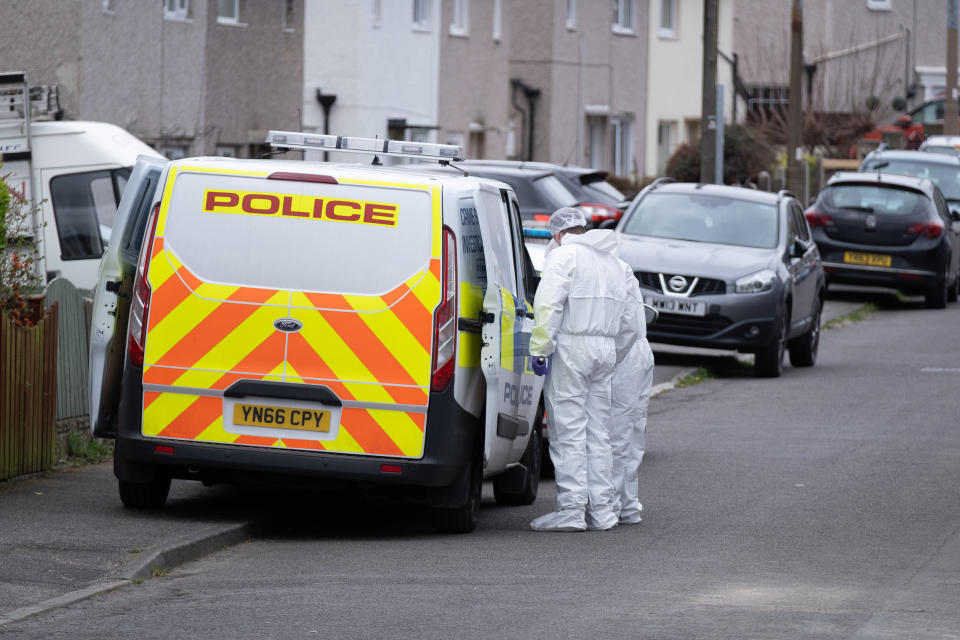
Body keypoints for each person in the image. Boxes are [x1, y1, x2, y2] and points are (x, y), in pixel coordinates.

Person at [528, 207, 640, 532]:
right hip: (605, 351)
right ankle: (603, 511)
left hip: (571, 348)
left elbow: (547, 304)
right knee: (599, 432)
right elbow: (632, 324)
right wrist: (611, 353)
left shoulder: (564, 257)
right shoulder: (617, 264)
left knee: (568, 431)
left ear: (559, 234)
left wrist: (541, 347)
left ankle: (572, 511)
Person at [609, 287, 655, 525]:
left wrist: (607, 358)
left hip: (624, 357)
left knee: (616, 433)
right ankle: (627, 505)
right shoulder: (621, 268)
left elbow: (624, 328)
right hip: (640, 351)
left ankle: (611, 505)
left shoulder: (587, 264)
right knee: (632, 432)